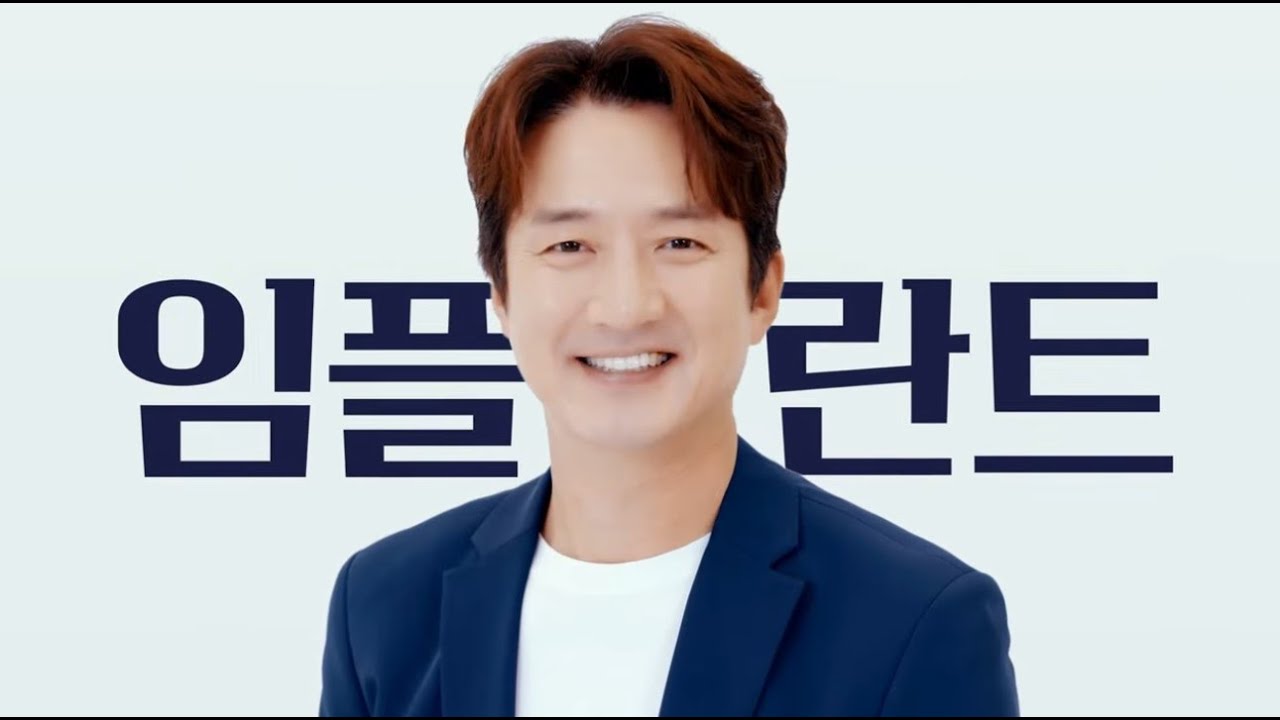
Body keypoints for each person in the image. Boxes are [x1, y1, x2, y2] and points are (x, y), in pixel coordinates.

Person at [319, 14, 1019, 717]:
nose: (626, 306)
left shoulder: (912, 622)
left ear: (762, 289)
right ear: (501, 293)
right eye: (569, 246)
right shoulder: (383, 606)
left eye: (680, 242)